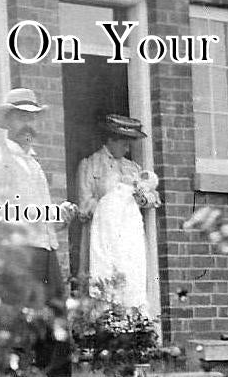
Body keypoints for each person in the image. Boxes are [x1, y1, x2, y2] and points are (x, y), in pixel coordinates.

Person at [0, 87, 78, 377]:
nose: (29, 125)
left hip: (46, 253)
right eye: (22, 117)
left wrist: (61, 217)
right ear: (8, 121)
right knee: (18, 329)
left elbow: (43, 220)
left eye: (33, 118)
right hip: (19, 256)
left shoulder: (34, 164)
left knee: (55, 329)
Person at [76, 114, 160, 312]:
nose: (127, 149)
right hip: (102, 236)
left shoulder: (133, 168)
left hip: (128, 238)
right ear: (111, 139)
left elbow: (154, 197)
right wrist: (111, 204)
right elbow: (84, 206)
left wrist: (142, 198)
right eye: (124, 143)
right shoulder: (90, 165)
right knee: (102, 284)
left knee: (131, 283)